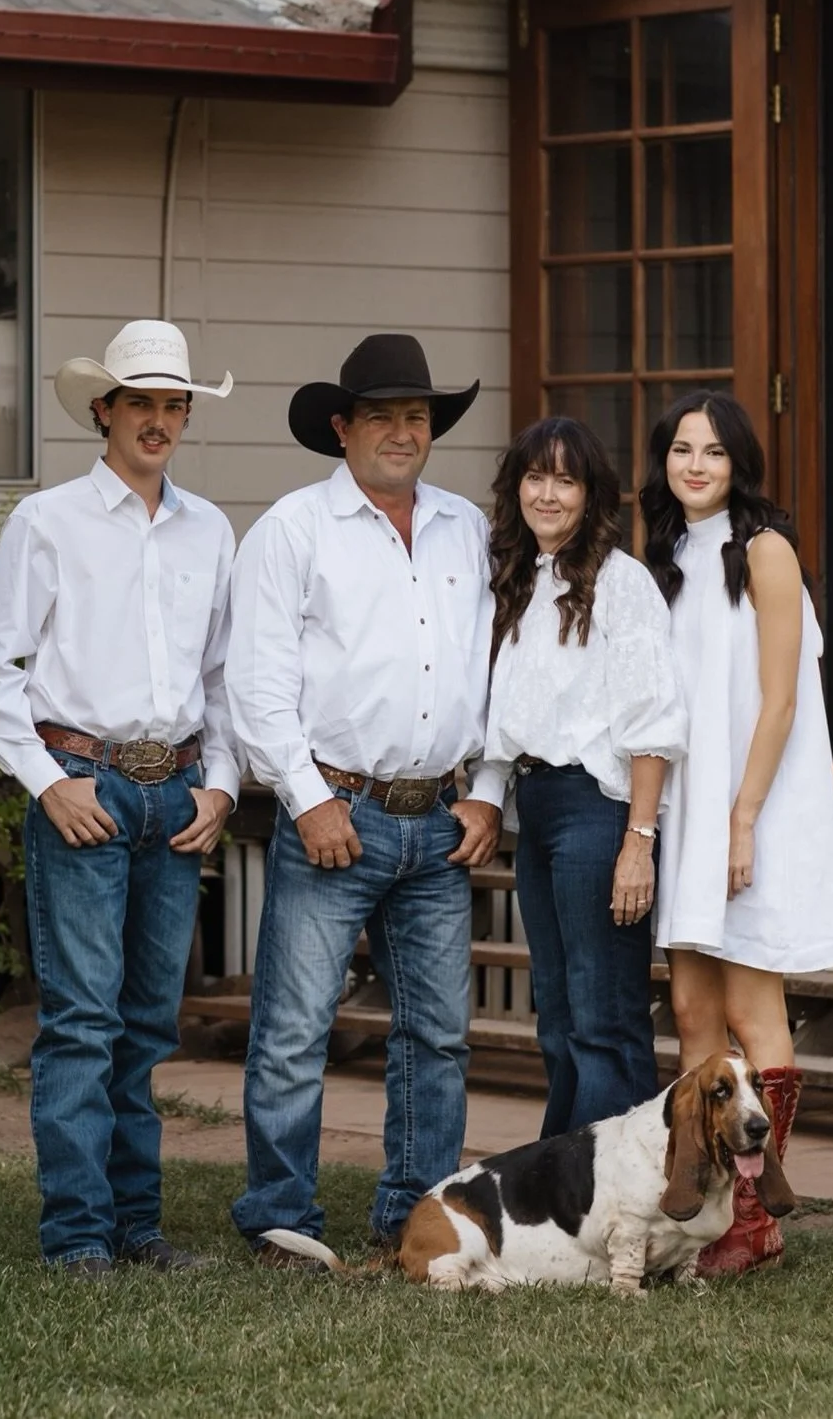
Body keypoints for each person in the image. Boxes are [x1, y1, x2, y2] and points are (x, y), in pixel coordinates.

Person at [0, 320, 241, 1278]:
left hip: (176, 801)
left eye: (175, 404)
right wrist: (49, 785)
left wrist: (223, 783)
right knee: (82, 1022)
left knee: (147, 1025)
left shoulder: (211, 529)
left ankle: (139, 1228)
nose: (160, 421)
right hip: (85, 787)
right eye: (142, 404)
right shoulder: (47, 522)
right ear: (104, 411)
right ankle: (78, 1235)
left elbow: (222, 678)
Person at [227, 334, 505, 1264]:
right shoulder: (292, 530)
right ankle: (281, 1219)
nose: (401, 431)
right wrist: (306, 800)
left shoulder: (468, 528)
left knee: (439, 1038)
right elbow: (255, 684)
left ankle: (414, 1218)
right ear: (341, 428)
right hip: (335, 815)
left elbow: (503, 673)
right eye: (381, 414)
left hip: (441, 821)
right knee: (292, 1032)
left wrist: (491, 791)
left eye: (416, 416)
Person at [641, 389, 833, 1275]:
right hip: (689, 806)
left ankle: (758, 1214)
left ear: (740, 464)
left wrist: (742, 817)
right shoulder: (662, 556)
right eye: (682, 449)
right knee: (692, 1009)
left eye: (714, 451)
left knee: (748, 1006)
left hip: (753, 803)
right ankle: (708, 1203)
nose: (696, 464)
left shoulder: (764, 550)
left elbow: (779, 700)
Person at [482, 416, 686, 1138]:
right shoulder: (515, 579)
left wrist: (639, 839)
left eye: (565, 479)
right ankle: (566, 1180)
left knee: (604, 1014)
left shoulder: (622, 584)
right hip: (534, 806)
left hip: (597, 812)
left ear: (590, 492)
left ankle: (616, 1195)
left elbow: (655, 719)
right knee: (558, 1016)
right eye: (536, 476)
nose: (547, 493)